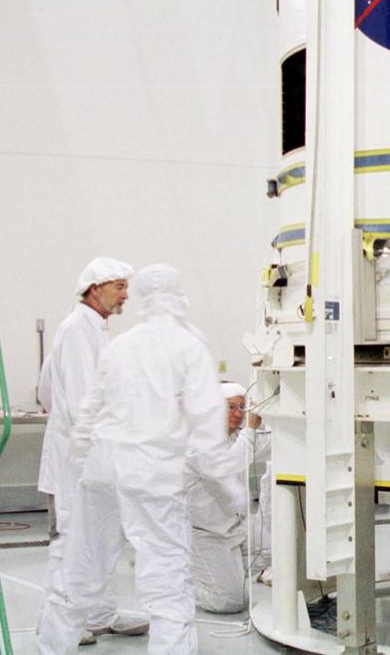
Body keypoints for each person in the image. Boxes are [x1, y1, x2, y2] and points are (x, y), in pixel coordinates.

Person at [37, 264, 245, 655]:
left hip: (101, 468)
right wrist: (232, 490)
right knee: (168, 582)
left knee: (80, 569)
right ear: (179, 298)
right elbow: (206, 427)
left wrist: (84, 466)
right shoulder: (188, 343)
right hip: (148, 473)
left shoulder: (121, 343)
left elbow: (87, 413)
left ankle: (52, 647)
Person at [36, 257, 147, 646]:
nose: (126, 294)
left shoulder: (97, 330)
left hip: (96, 457)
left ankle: (100, 614)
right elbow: (84, 399)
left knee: (102, 536)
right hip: (77, 460)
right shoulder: (75, 330)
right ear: (95, 288)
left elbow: (45, 390)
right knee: (72, 539)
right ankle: (63, 623)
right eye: (119, 286)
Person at [188, 381, 269, 613]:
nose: (237, 414)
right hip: (205, 534)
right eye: (230, 407)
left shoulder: (236, 438)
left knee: (275, 553)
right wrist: (251, 430)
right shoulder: (198, 442)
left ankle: (221, 573)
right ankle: (184, 582)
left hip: (234, 528)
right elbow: (228, 465)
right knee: (232, 602)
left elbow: (269, 443)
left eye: (242, 408)